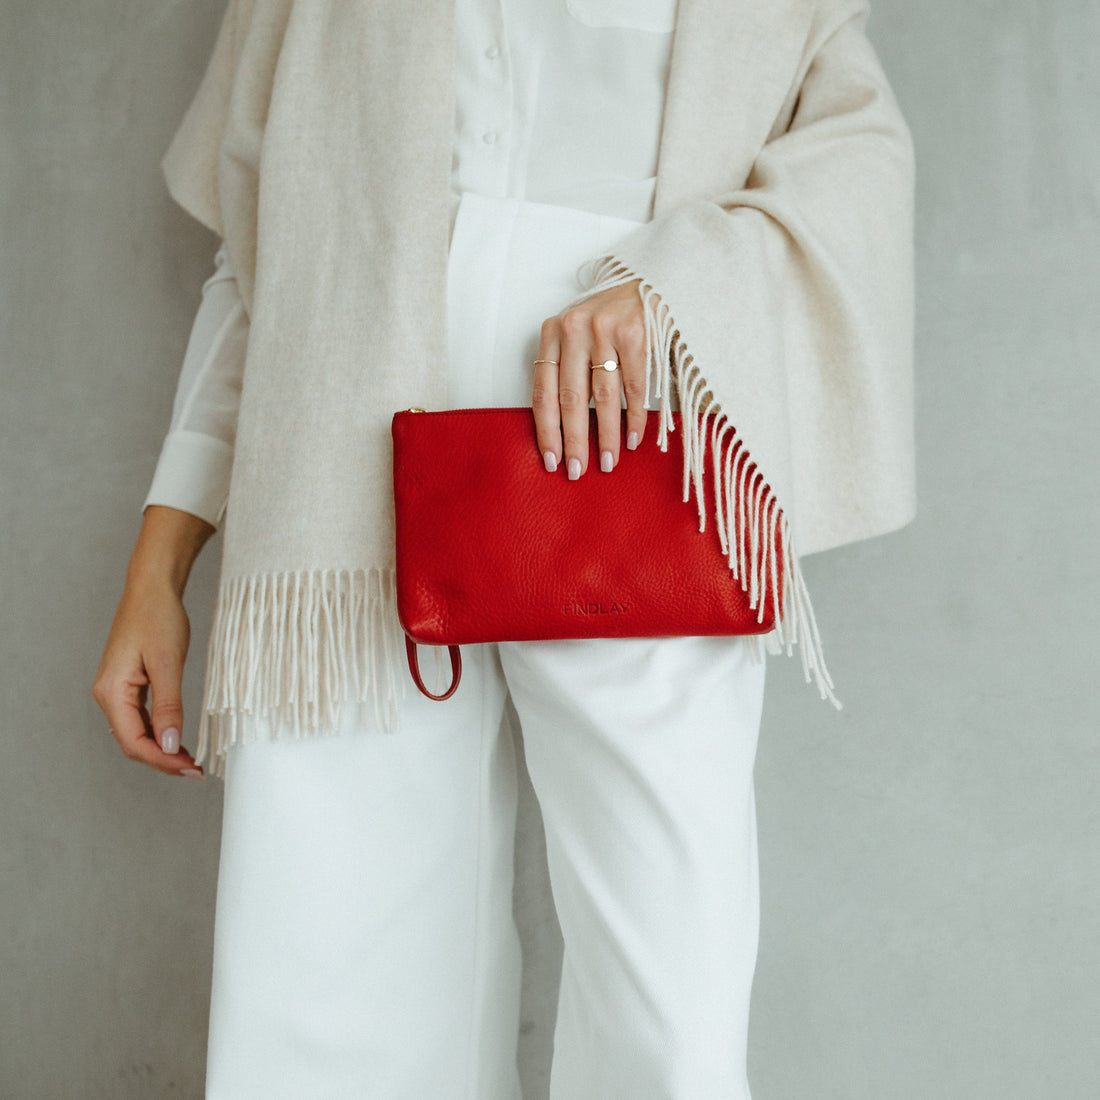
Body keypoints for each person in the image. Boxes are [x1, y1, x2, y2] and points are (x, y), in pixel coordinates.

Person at [93, 1, 915, 1096]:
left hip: (628, 443)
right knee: (322, 976)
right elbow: (261, 264)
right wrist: (159, 565)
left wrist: (674, 285)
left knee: (668, 1001)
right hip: (338, 477)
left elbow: (852, 163)